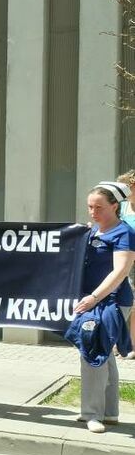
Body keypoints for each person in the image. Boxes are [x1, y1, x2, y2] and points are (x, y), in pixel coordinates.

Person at [71, 182, 135, 433]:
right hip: (94, 300)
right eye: (89, 207)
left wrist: (94, 298)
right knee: (105, 357)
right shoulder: (93, 231)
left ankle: (91, 414)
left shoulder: (124, 233)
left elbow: (120, 272)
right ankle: (109, 413)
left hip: (111, 301)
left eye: (98, 207)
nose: (92, 212)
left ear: (114, 206)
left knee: (92, 354)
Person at [119, 170, 135, 359]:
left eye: (129, 188)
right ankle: (117, 344)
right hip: (122, 259)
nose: (127, 192)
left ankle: (132, 345)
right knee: (121, 302)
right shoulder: (121, 207)